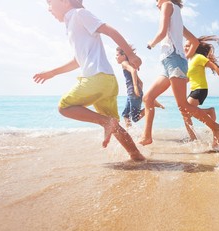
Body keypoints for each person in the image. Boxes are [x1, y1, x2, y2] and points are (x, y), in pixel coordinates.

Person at [33, 0, 145, 161]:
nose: (49, 8)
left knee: (64, 107)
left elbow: (111, 31)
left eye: (50, 2)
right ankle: (137, 156)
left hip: (96, 78)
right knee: (114, 125)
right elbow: (77, 60)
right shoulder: (71, 24)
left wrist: (131, 54)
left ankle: (106, 123)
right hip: (107, 81)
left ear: (65, 2)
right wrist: (53, 72)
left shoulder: (79, 14)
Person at [139, 0, 219, 148]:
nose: (156, 4)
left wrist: (150, 44)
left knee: (183, 106)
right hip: (169, 62)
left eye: (157, 0)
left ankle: (216, 128)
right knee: (148, 98)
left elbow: (162, 31)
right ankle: (147, 136)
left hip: (173, 60)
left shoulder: (167, 5)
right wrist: (185, 58)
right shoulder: (176, 14)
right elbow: (194, 42)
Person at [183, 35, 219, 141]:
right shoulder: (190, 61)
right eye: (184, 46)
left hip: (200, 89)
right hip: (194, 89)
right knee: (185, 113)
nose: (185, 48)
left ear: (194, 47)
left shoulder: (199, 57)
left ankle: (216, 128)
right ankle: (194, 138)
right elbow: (189, 78)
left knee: (186, 110)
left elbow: (215, 67)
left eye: (188, 46)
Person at [115, 47, 164, 128]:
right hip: (131, 93)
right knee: (125, 115)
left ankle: (151, 104)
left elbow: (133, 71)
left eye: (117, 55)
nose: (116, 57)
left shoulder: (124, 63)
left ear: (123, 55)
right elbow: (140, 82)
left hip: (132, 92)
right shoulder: (127, 63)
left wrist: (135, 88)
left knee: (135, 118)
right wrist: (139, 92)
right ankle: (129, 132)